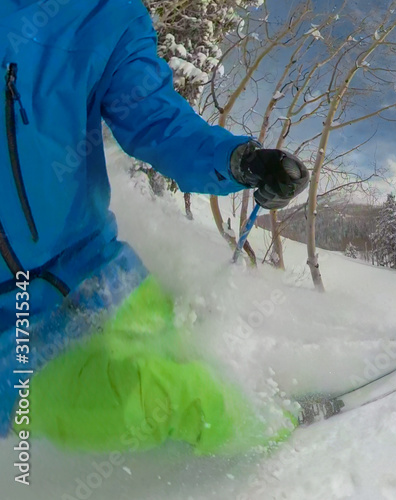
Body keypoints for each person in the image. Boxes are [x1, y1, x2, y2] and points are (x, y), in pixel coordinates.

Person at [1, 0, 309, 454]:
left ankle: (274, 391)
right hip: (13, 339)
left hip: (101, 272)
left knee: (192, 347)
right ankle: (266, 430)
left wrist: (239, 161)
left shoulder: (109, 14)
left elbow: (156, 120)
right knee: (147, 400)